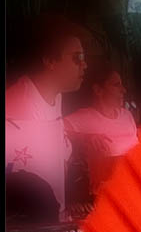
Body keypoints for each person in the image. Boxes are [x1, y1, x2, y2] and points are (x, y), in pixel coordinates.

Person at [5, 14, 87, 219]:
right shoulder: (19, 110)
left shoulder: (55, 95)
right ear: (50, 61)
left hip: (51, 222)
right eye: (77, 57)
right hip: (29, 230)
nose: (84, 65)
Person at [64, 59, 139, 195]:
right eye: (116, 85)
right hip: (106, 195)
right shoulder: (85, 118)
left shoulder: (126, 115)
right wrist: (83, 138)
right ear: (98, 90)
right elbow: (53, 131)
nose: (123, 90)